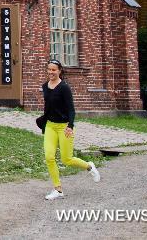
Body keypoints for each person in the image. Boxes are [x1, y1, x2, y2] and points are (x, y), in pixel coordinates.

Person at [41, 59, 101, 200]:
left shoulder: (64, 87)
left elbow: (71, 109)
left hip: (64, 127)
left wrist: (70, 125)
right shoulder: (45, 86)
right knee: (49, 157)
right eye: (49, 69)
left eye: (54, 69)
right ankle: (58, 189)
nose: (51, 72)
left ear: (60, 70)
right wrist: (43, 122)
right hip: (50, 126)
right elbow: (48, 107)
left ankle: (89, 166)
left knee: (66, 159)